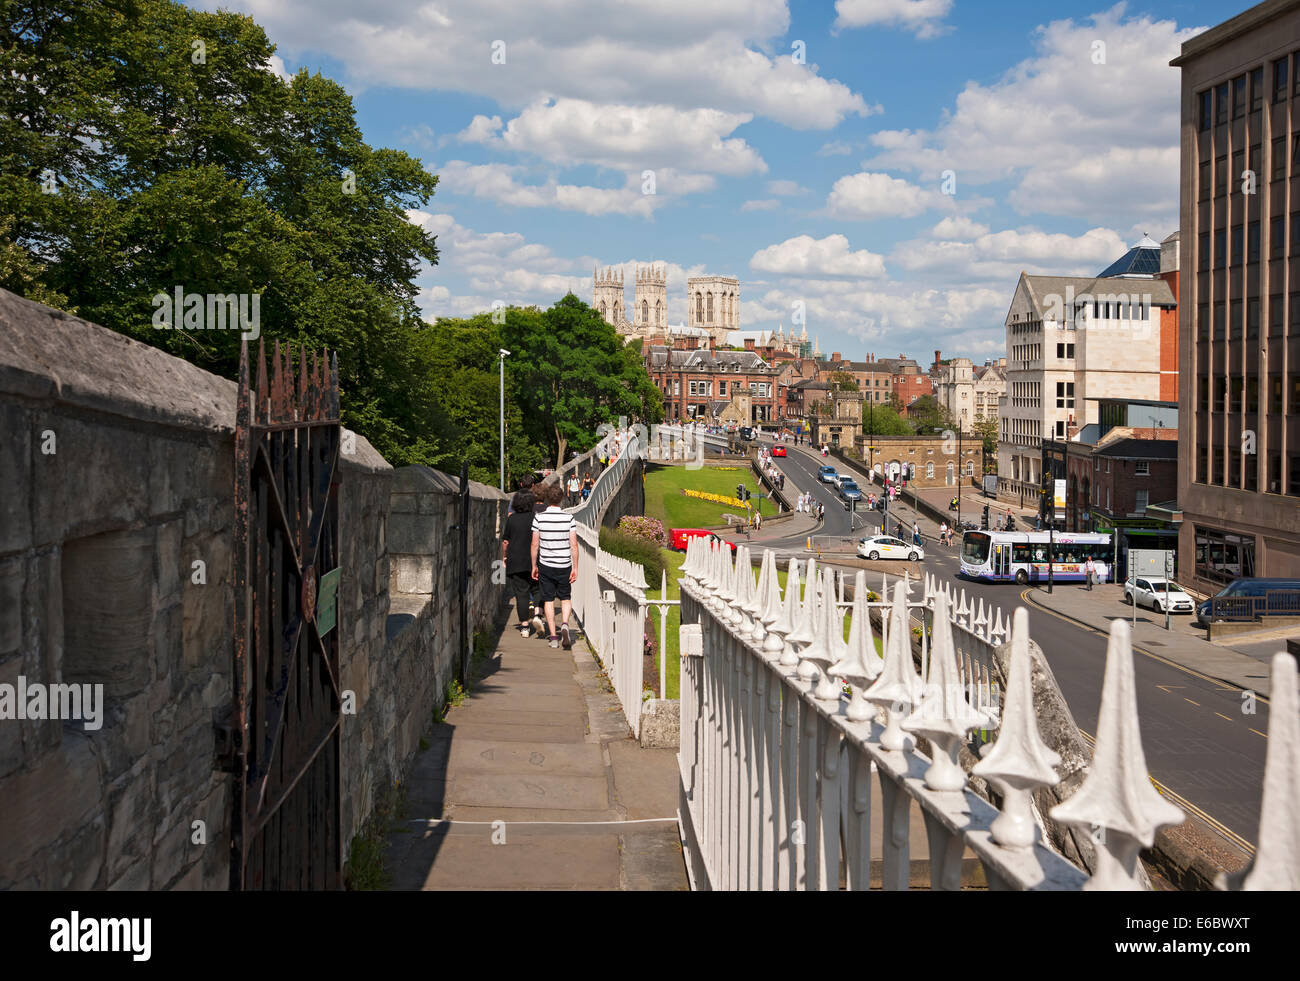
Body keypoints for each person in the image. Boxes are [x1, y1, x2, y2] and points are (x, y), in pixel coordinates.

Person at [532, 481, 579, 649]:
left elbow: (534, 544)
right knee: (565, 598)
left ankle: (553, 637)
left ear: (547, 499)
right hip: (564, 564)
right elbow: (573, 544)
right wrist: (575, 567)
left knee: (549, 600)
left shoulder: (539, 517)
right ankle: (565, 624)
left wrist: (534, 565)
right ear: (561, 499)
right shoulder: (569, 518)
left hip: (546, 564)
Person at [502, 490, 538, 636]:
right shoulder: (536, 518)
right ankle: (537, 615)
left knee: (521, 594)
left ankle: (524, 627)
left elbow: (506, 541)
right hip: (534, 560)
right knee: (537, 589)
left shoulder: (512, 519)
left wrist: (505, 556)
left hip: (515, 560)